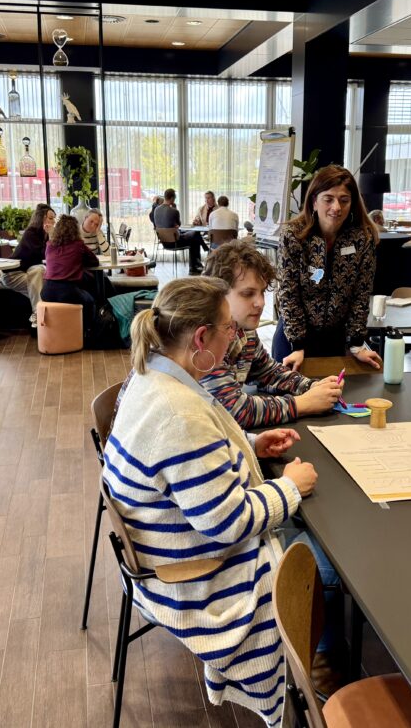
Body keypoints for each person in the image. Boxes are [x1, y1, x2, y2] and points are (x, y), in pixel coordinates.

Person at [103, 276, 318, 723]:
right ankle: (306, 685)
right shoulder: (178, 412)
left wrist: (251, 445)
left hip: (161, 546)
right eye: (228, 329)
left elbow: (190, 463)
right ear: (201, 338)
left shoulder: (153, 374)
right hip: (192, 576)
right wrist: (290, 486)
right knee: (324, 566)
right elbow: (226, 522)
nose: (235, 336)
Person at [202, 240, 344, 428]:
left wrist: (311, 387)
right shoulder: (205, 341)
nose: (260, 303)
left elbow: (268, 373)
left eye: (262, 292)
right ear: (217, 294)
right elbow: (234, 411)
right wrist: (302, 404)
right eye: (248, 294)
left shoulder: (244, 331)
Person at [272, 164, 383, 371]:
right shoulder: (293, 235)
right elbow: (288, 292)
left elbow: (361, 294)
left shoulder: (362, 238)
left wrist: (357, 343)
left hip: (334, 339)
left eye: (344, 200)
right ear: (314, 201)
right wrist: (298, 344)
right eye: (328, 199)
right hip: (293, 339)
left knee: (335, 391)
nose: (336, 207)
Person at [41, 214, 103, 332]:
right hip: (67, 291)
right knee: (90, 301)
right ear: (75, 230)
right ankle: (87, 332)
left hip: (47, 291)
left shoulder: (50, 244)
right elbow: (95, 261)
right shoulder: (78, 244)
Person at [1, 204, 53, 328]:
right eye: (51, 218)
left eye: (54, 218)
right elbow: (44, 255)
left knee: (44, 285)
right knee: (42, 284)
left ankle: (39, 317)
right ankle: (39, 316)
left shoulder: (43, 235)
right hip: (12, 275)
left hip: (27, 273)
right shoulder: (31, 234)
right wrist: (51, 236)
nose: (54, 221)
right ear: (42, 218)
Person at [152, 187, 206, 274]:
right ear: (172, 198)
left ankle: (196, 265)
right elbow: (179, 224)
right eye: (175, 198)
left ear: (165, 197)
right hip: (174, 242)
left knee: (194, 235)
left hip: (164, 242)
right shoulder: (174, 211)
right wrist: (175, 208)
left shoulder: (156, 210)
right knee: (196, 235)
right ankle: (194, 267)